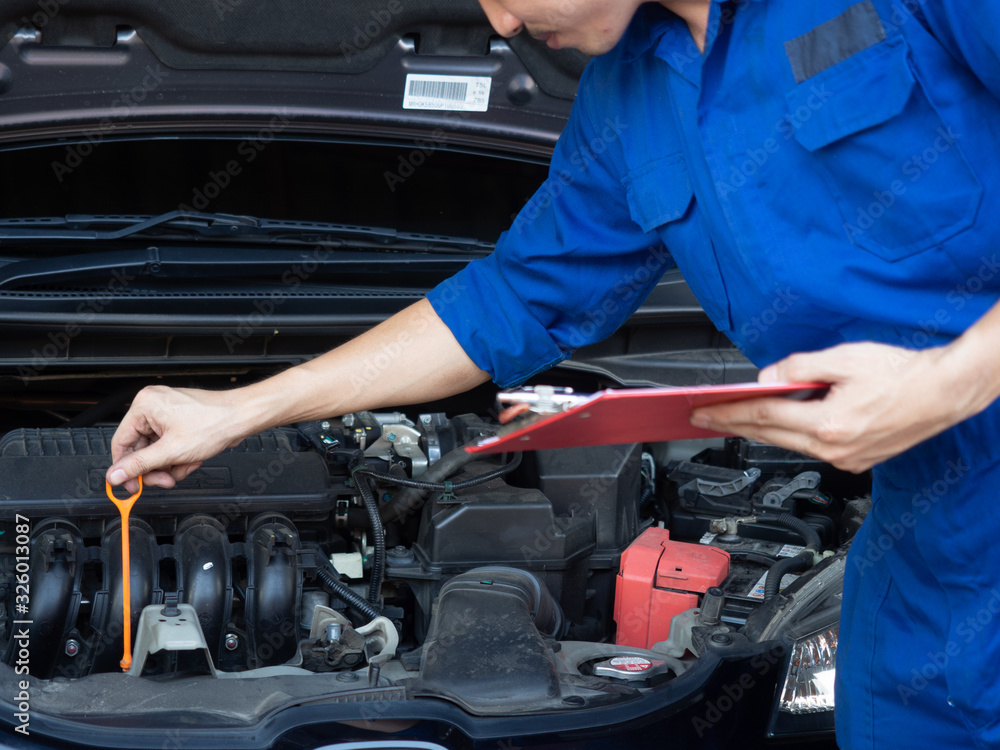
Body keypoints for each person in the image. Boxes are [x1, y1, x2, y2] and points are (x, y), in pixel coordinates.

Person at [106, 0, 1000, 747]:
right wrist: (241, 410)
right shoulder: (627, 100)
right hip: (932, 569)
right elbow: (511, 297)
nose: (499, 20)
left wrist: (955, 380)